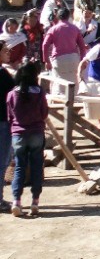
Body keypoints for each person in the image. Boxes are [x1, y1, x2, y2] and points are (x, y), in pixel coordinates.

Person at [6, 61, 48, 218]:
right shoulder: (39, 92)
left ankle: (16, 201)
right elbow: (44, 113)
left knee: (19, 168)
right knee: (37, 167)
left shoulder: (12, 94)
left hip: (18, 135)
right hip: (36, 133)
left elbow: (10, 116)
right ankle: (35, 202)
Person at [41, 6, 87, 82]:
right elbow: (82, 46)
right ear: (69, 16)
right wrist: (83, 60)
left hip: (58, 59)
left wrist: (46, 61)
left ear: (58, 16)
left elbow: (45, 44)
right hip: (73, 58)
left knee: (58, 84)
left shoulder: (53, 29)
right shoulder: (75, 28)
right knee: (73, 84)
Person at [0, 41, 15, 212]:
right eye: (5, 51)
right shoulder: (3, 76)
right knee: (2, 162)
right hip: (3, 122)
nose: (8, 53)